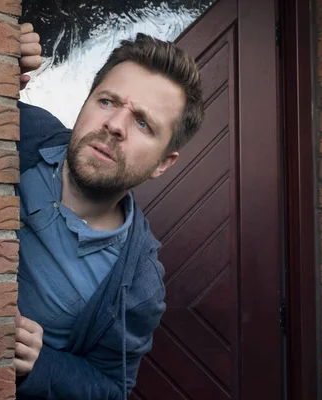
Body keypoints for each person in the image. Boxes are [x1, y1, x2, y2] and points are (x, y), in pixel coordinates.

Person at [14, 23, 204, 399]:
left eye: (143, 123)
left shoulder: (138, 287)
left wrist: (41, 362)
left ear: (163, 164)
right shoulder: (19, 129)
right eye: (107, 101)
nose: (115, 125)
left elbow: (110, 386)